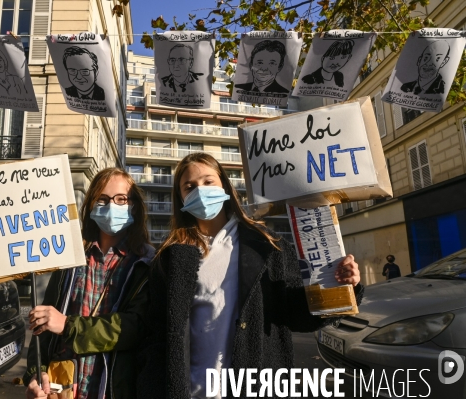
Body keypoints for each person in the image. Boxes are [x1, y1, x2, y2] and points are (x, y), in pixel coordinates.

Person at [137, 153, 364, 399]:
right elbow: (158, 333)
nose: (199, 191)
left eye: (208, 181)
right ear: (180, 196)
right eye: (189, 186)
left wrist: (342, 285)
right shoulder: (170, 256)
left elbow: (296, 314)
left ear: (224, 185)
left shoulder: (268, 245)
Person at [24, 168, 155, 399]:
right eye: (102, 199)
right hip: (63, 390)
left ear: (133, 205)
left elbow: (135, 328)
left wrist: (68, 325)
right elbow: (43, 328)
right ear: (91, 205)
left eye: (121, 199)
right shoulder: (69, 255)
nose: (111, 205)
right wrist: (36, 373)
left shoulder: (146, 262)